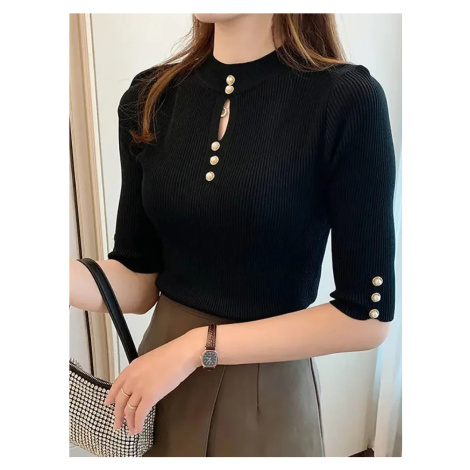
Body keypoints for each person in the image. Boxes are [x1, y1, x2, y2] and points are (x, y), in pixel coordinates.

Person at [69, 13, 396, 457]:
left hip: (265, 396)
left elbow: (366, 318)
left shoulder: (345, 100)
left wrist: (196, 347)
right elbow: (138, 279)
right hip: (158, 384)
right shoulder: (150, 97)